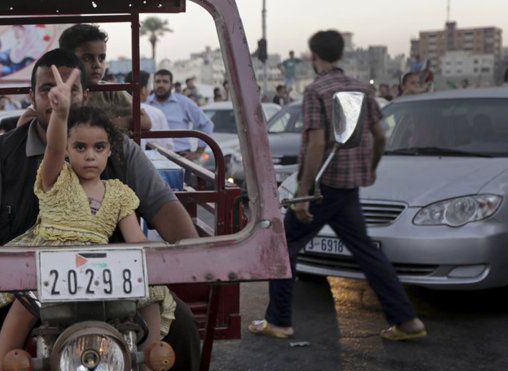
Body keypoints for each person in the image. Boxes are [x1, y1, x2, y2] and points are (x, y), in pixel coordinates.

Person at [0, 48, 200, 371]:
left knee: (182, 326)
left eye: (70, 89)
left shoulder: (120, 150)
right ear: (31, 97)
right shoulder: (4, 154)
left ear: (86, 95)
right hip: (24, 282)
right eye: (48, 87)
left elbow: (163, 210)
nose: (58, 96)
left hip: (112, 286)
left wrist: (191, 253)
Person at [249, 30, 426, 341]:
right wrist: (370, 169)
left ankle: (278, 321)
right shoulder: (360, 88)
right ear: (341, 54)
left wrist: (303, 194)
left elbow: (316, 143)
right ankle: (407, 321)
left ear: (314, 55)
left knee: (285, 246)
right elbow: (381, 136)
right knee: (367, 253)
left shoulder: (317, 90)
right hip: (348, 188)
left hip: (324, 187)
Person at [58, 24, 151, 131]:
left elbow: (145, 122)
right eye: (88, 58)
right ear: (67, 59)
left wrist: (112, 123)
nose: (97, 65)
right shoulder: (58, 92)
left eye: (101, 58)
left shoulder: (112, 92)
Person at [147, 69, 214, 160]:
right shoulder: (146, 104)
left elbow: (207, 125)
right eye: (158, 81)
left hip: (180, 156)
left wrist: (198, 153)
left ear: (171, 85)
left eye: (165, 82)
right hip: (152, 156)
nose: (161, 85)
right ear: (153, 84)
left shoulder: (184, 102)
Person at [124, 70, 173, 150]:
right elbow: (168, 146)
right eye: (149, 85)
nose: (150, 89)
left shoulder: (117, 110)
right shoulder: (156, 113)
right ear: (143, 90)